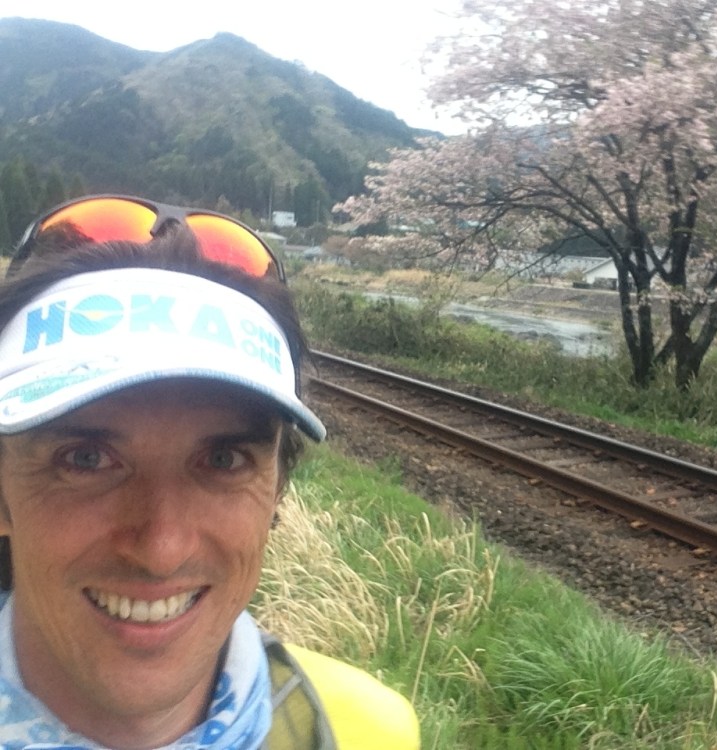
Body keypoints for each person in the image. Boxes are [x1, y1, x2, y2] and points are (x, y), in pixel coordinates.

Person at [0, 195, 420, 749]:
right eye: (86, 459)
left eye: (223, 460)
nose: (162, 548)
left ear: (275, 493)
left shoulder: (365, 731)